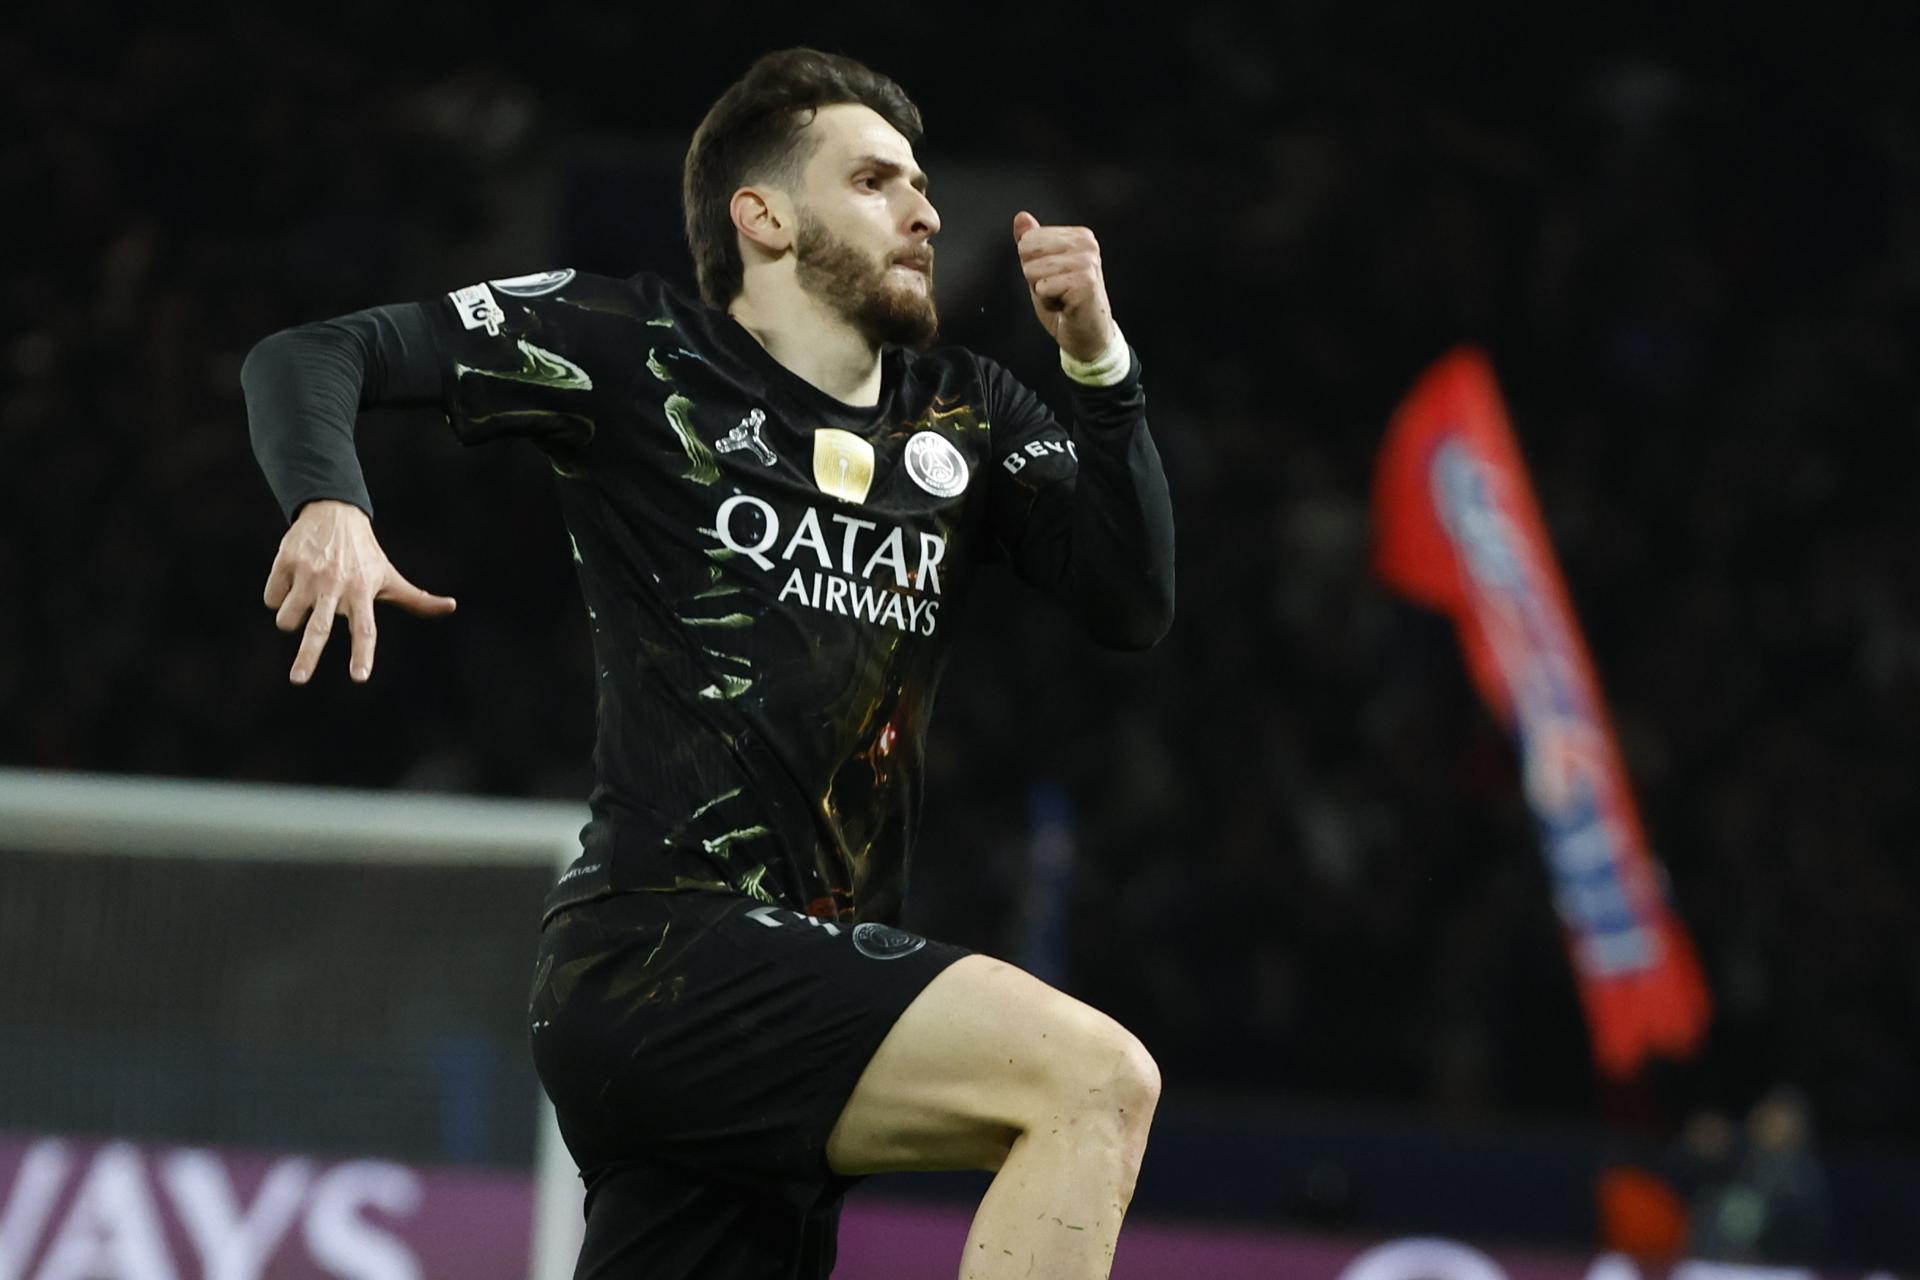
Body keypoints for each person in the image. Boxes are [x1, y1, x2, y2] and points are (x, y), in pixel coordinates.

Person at [241, 47, 1175, 1280]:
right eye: (876, 179)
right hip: (664, 953)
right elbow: (313, 354)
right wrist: (329, 503)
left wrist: (1101, 370)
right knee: (1093, 1079)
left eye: (925, 185)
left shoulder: (970, 411)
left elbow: (1131, 601)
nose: (926, 210)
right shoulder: (636, 346)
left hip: (793, 995)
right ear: (765, 215)